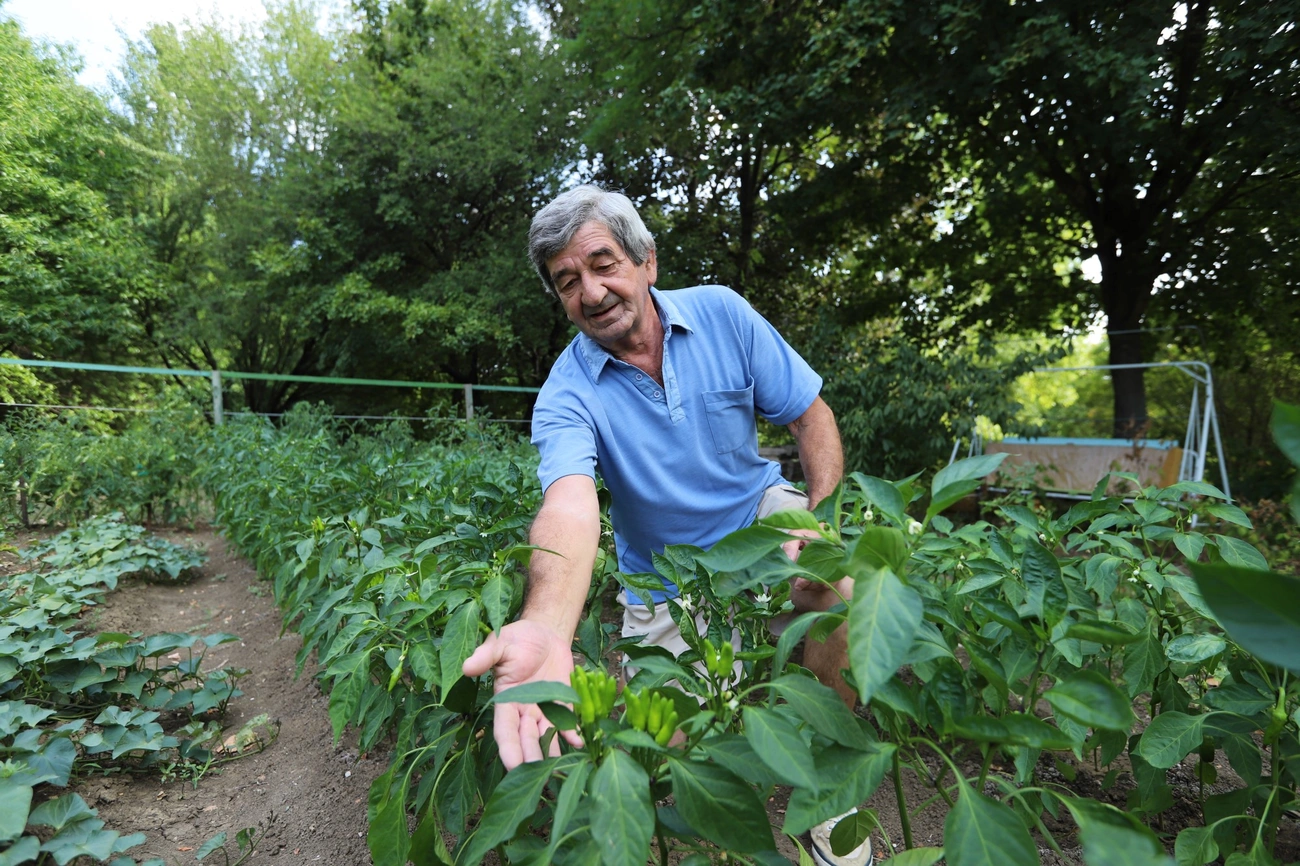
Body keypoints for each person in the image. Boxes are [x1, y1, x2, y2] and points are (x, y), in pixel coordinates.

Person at [462, 185, 869, 866]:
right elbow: (570, 503)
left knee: (842, 584)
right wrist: (546, 625)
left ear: (647, 261)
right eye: (568, 281)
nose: (590, 292)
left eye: (603, 264)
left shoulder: (722, 315)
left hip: (758, 521)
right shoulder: (567, 393)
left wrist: (818, 517)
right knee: (677, 752)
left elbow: (810, 415)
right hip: (666, 574)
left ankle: (829, 790)